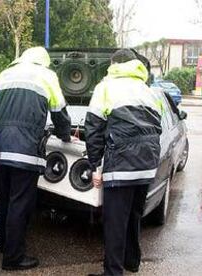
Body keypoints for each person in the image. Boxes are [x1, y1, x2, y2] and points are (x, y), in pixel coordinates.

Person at [0, 46, 71, 271]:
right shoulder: (47, 76)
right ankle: (14, 258)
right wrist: (65, 135)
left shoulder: (2, 76)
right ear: (43, 61)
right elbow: (59, 112)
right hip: (25, 151)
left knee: (4, 199)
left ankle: (5, 245)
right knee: (20, 204)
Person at [84, 49, 163, 276]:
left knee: (115, 222)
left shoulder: (106, 86)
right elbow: (157, 127)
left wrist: (95, 166)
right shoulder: (147, 90)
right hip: (147, 165)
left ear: (114, 64)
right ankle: (132, 262)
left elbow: (93, 129)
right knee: (134, 215)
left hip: (120, 164)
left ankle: (113, 272)